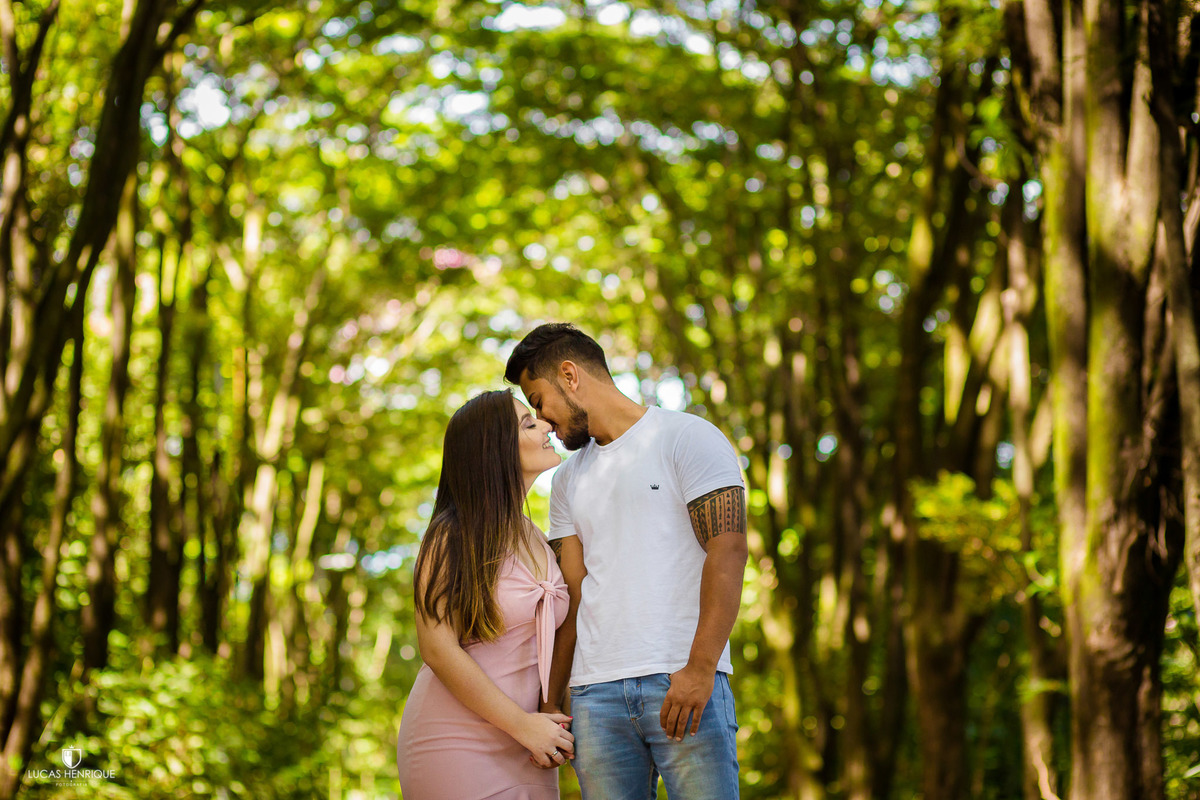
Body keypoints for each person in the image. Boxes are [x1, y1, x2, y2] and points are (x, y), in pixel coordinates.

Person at [505, 323, 747, 799]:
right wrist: (552, 702)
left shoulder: (688, 438)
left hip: (682, 678)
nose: (544, 420)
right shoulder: (567, 480)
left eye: (538, 400)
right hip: (596, 698)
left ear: (570, 375)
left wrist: (700, 668)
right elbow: (573, 599)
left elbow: (729, 551)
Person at [396, 389, 576, 799]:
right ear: (494, 451)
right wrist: (523, 725)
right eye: (529, 424)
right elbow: (437, 648)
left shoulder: (539, 538)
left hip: (531, 744)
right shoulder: (451, 534)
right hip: (456, 740)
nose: (546, 425)